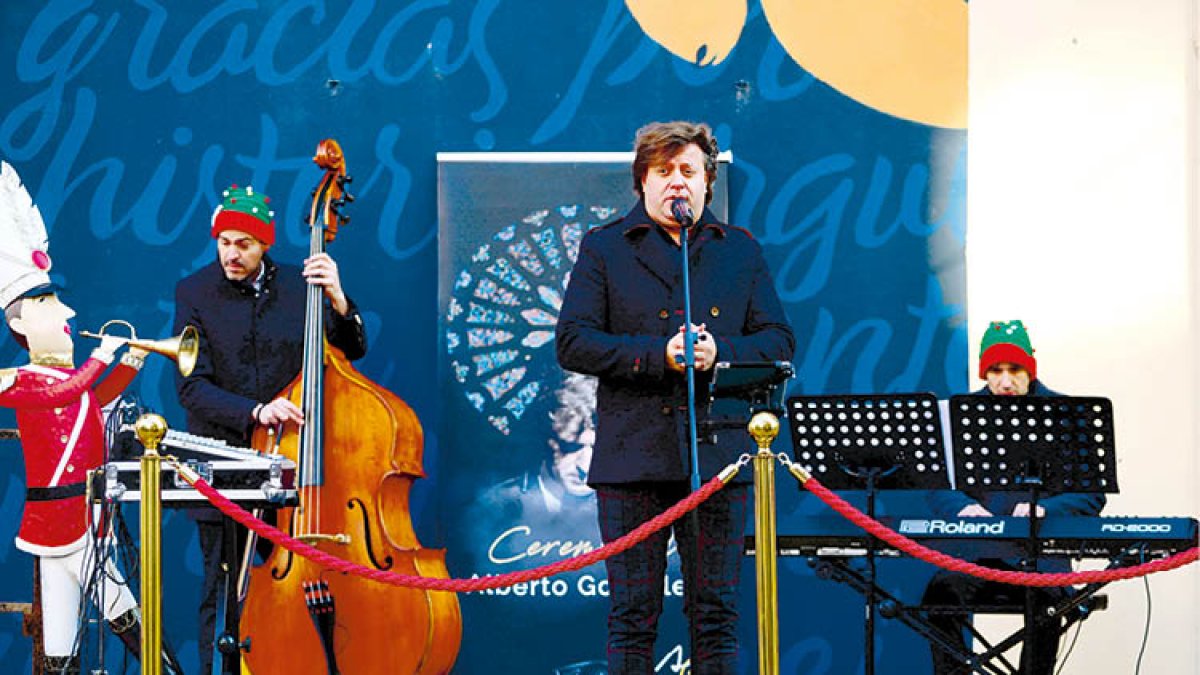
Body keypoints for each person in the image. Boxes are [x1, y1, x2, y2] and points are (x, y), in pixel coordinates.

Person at [555, 121, 795, 674]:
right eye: (663, 171)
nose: (677, 182)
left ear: (708, 181)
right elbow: (573, 342)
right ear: (642, 181)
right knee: (632, 617)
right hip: (632, 459)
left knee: (716, 615)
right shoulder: (604, 247)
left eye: (688, 170)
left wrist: (720, 352)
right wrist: (657, 354)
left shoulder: (739, 250)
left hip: (717, 458)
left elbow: (779, 341)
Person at [173, 183, 367, 674]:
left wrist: (339, 299)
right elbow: (192, 389)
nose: (231, 254)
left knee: (305, 585)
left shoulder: (302, 288)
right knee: (222, 597)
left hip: (295, 466)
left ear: (264, 244)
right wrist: (257, 411)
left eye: (244, 244)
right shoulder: (193, 292)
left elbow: (352, 350)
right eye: (224, 243)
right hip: (225, 465)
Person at [0, 161, 180, 674]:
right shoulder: (22, 382)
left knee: (83, 617)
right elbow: (70, 392)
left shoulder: (66, 379)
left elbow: (92, 404)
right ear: (22, 325)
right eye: (51, 307)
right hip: (59, 517)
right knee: (111, 609)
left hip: (82, 516)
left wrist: (131, 363)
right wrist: (101, 358)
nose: (68, 315)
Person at [922, 320, 1106, 675]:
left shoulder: (1065, 413)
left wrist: (1045, 508)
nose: (1005, 382)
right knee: (940, 596)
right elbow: (937, 486)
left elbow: (1091, 495)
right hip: (979, 557)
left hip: (1041, 561)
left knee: (1047, 608)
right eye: (995, 371)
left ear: (1030, 369)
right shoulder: (962, 413)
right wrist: (963, 506)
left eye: (1015, 370)